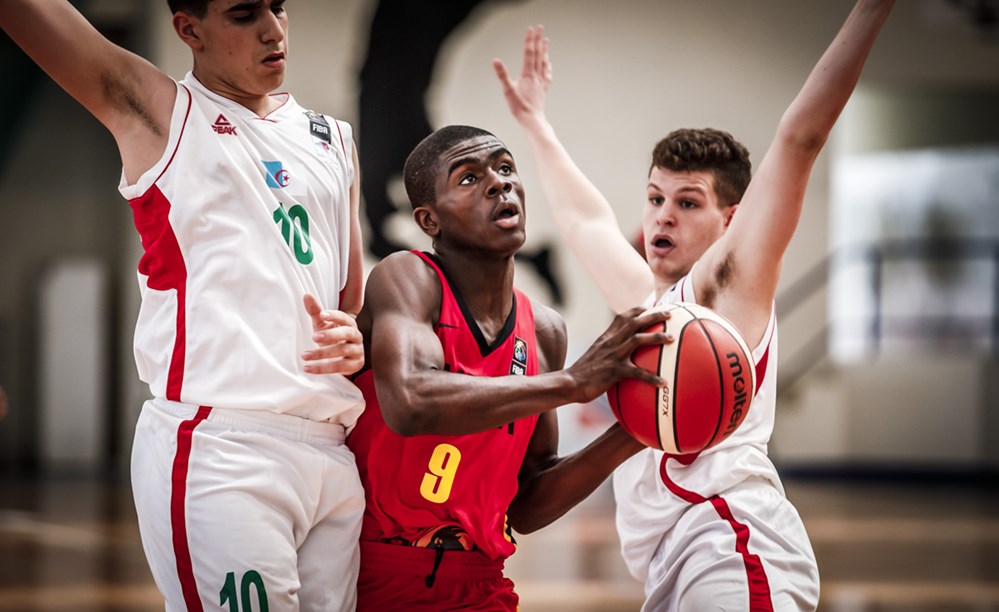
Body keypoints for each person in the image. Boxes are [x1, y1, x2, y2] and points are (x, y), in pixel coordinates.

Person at [494, 3, 894, 610]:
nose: (662, 215)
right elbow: (582, 219)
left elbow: (801, 136)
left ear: (732, 220)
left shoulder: (731, 282)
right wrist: (535, 123)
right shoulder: (648, 302)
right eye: (655, 198)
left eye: (687, 202)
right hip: (673, 558)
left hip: (732, 542)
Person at [1, 1, 368, 609]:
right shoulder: (163, 113)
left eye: (278, 7)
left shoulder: (335, 138)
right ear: (189, 29)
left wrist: (354, 335)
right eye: (245, 14)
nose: (273, 29)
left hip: (331, 449)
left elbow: (347, 301)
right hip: (223, 447)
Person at [346, 124, 672, 610]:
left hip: (482, 580)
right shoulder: (409, 278)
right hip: (379, 574)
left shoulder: (544, 331)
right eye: (468, 178)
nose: (499, 183)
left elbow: (527, 501)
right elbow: (410, 401)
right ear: (429, 221)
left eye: (504, 168)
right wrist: (570, 384)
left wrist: (641, 430)